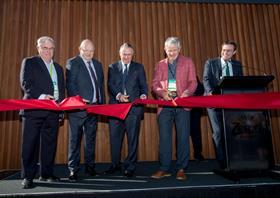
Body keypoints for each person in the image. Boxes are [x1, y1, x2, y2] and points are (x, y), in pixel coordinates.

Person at [20, 36, 65, 189]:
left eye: (50, 48)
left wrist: (61, 110)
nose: (47, 51)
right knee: (30, 145)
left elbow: (62, 90)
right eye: (44, 48)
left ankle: (46, 174)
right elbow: (26, 83)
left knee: (49, 144)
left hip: (53, 112)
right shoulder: (30, 62)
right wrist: (42, 97)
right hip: (34, 109)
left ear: (54, 50)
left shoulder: (58, 68)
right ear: (38, 48)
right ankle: (28, 176)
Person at [151, 37, 197, 181]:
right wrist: (162, 93)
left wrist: (186, 94)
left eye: (174, 50)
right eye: (168, 50)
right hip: (165, 105)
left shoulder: (188, 62)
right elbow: (155, 84)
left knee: (183, 137)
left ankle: (181, 168)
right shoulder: (160, 65)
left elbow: (193, 82)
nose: (171, 53)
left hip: (182, 104)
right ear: (165, 49)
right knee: (165, 138)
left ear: (179, 49)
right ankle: (164, 168)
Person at [105, 43, 148, 177]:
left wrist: (143, 95)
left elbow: (143, 86)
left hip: (133, 109)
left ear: (132, 54)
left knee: (132, 138)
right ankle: (115, 165)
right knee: (115, 138)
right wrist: (118, 95)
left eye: (129, 54)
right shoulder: (112, 67)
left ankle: (130, 166)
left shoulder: (138, 67)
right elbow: (110, 85)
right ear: (120, 54)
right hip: (116, 108)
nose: (126, 57)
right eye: (124, 54)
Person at [66, 39, 105, 182]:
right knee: (74, 140)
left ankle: (90, 168)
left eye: (91, 51)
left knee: (91, 140)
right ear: (79, 49)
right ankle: (73, 170)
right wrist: (79, 101)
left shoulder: (98, 64)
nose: (89, 53)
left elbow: (100, 86)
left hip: (94, 108)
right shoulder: (73, 62)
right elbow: (70, 85)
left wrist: (102, 105)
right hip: (78, 109)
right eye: (85, 50)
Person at [203, 40, 243, 169]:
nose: (225, 53)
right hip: (214, 103)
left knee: (233, 131)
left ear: (234, 52)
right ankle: (223, 162)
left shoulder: (237, 65)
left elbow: (240, 82)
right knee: (219, 132)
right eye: (223, 50)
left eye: (229, 51)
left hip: (231, 104)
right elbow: (206, 79)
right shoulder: (211, 63)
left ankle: (234, 158)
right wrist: (210, 93)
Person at [190, 76, 205, 161]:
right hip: (182, 110)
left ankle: (198, 154)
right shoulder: (177, 75)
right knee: (181, 133)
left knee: (196, 133)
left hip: (195, 109)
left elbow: (201, 89)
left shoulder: (194, 76)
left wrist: (191, 93)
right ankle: (179, 155)